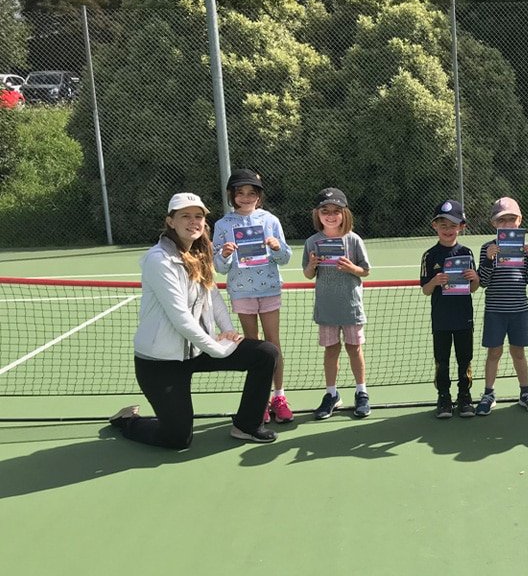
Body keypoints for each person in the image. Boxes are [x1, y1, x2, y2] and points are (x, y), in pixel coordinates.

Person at [109, 193, 278, 448]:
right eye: (185, 216)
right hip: (160, 362)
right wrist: (218, 349)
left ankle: (247, 425)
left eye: (198, 216)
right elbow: (181, 318)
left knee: (265, 353)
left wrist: (229, 331)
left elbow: (214, 296)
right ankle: (126, 421)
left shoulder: (200, 253)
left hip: (197, 349)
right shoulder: (159, 260)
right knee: (177, 439)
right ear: (170, 221)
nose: (193, 221)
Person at [213, 169, 293, 423]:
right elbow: (219, 267)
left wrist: (277, 247)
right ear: (232, 196)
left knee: (273, 344)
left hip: (269, 289)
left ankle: (279, 398)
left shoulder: (270, 220)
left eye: (251, 193)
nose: (246, 197)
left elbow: (286, 258)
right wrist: (224, 253)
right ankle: (259, 400)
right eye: (240, 193)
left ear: (259, 196)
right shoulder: (223, 225)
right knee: (254, 347)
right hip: (241, 292)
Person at [302, 187, 372, 419]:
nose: (331, 216)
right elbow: (308, 274)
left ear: (344, 214)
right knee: (331, 351)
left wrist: (351, 268)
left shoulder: (353, 240)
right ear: (318, 214)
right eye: (325, 211)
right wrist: (312, 264)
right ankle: (331, 394)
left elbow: (366, 270)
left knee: (354, 349)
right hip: (327, 309)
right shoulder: (312, 242)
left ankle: (361, 392)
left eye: (336, 211)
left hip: (351, 307)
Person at [475, 197, 528, 416]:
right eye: (501, 220)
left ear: (519, 220)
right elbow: (483, 282)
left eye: (511, 219)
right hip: (495, 311)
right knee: (494, 352)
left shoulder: (525, 249)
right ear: (494, 224)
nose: (507, 224)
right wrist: (487, 260)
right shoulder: (488, 248)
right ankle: (488, 393)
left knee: (518, 353)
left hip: (519, 311)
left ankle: (525, 392)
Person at [420, 200, 480, 418]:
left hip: (463, 317)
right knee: (442, 360)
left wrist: (475, 278)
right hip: (441, 319)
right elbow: (426, 290)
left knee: (465, 359)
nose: (448, 230)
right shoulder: (430, 256)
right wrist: (435, 281)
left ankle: (465, 396)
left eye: (452, 225)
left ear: (461, 227)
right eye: (443, 225)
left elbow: (473, 288)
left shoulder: (466, 253)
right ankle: (444, 398)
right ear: (435, 226)